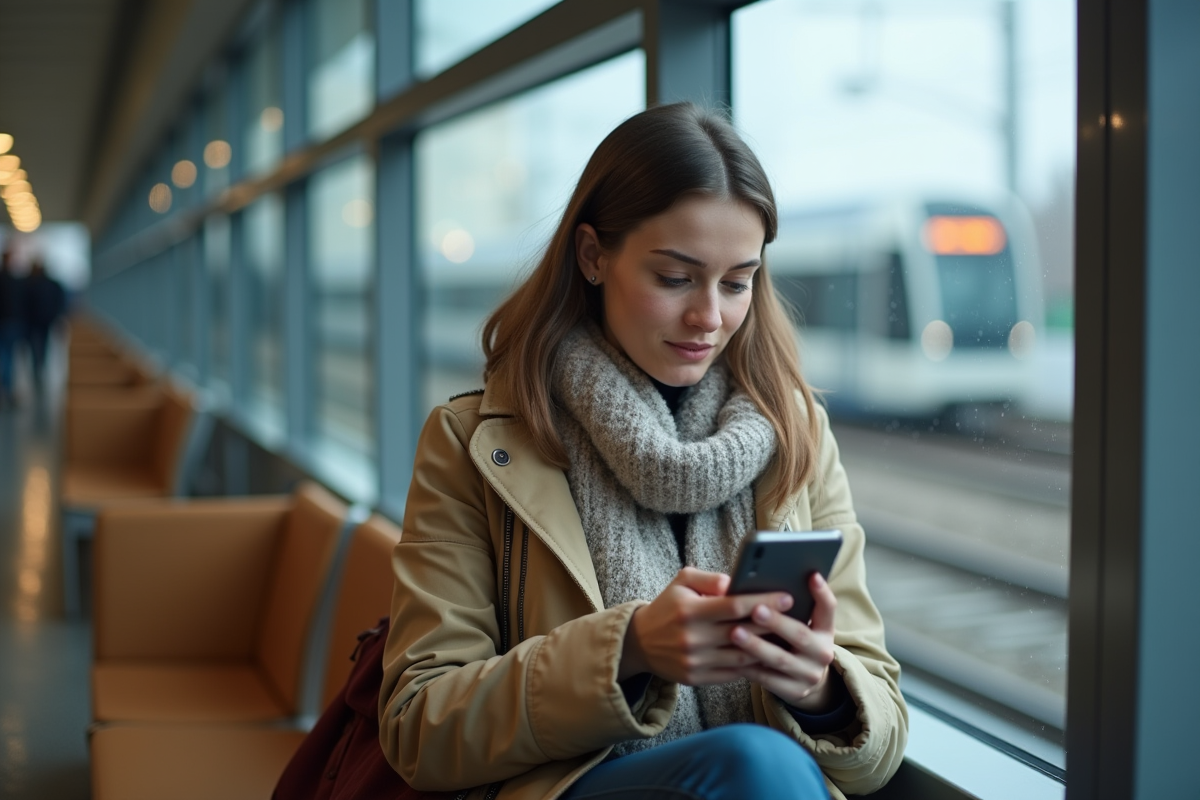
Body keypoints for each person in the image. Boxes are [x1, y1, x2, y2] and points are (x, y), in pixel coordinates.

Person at [379, 103, 907, 800]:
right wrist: (628, 650)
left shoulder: (797, 435)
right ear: (594, 255)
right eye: (675, 277)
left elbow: (884, 734)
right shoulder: (476, 444)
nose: (709, 317)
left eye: (737, 281)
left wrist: (821, 690)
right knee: (754, 765)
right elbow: (419, 727)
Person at [22, 259, 67, 393]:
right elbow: (59, 301)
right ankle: (40, 366)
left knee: (35, 345)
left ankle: (38, 367)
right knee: (43, 344)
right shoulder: (52, 284)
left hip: (34, 321)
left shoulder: (29, 283)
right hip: (46, 320)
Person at [0, 249, 25, 408]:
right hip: (11, 322)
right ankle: (7, 392)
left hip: (8, 322)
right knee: (8, 358)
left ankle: (7, 390)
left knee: (5, 357)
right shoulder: (15, 281)